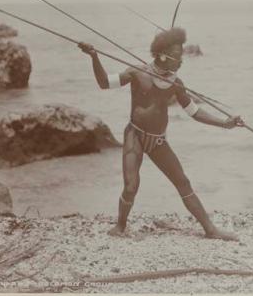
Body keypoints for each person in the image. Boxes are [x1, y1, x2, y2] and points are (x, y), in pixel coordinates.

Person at [78, 27, 244, 241]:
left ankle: (210, 230)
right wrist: (94, 57)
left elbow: (194, 112)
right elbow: (104, 83)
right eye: (177, 57)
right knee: (131, 186)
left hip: (157, 141)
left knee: (182, 182)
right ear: (163, 55)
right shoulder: (137, 72)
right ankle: (120, 226)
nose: (181, 61)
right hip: (135, 136)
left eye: (182, 56)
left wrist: (225, 123)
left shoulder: (176, 83)